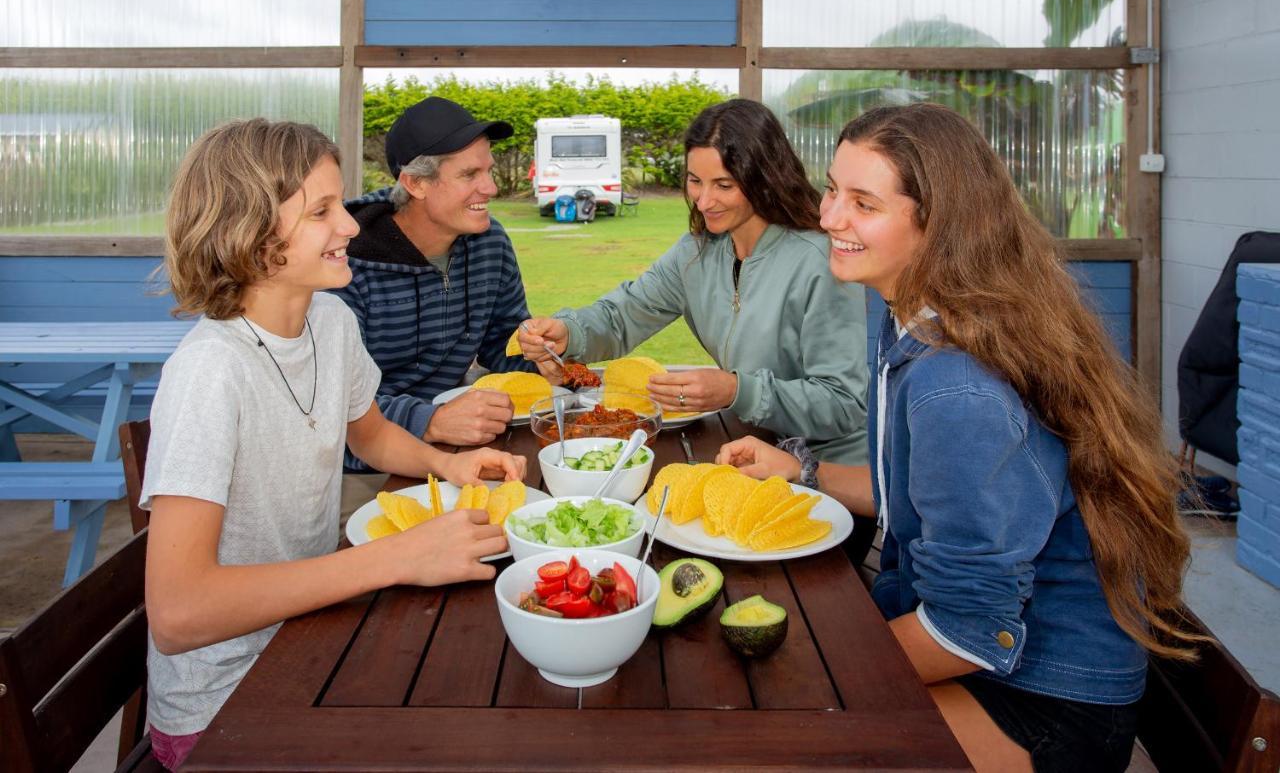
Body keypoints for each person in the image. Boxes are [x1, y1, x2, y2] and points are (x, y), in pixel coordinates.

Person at [718, 104, 1200, 772]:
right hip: (1002, 660)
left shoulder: (956, 382)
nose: (828, 217)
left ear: (936, 222)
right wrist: (802, 472)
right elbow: (917, 496)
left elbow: (969, 631)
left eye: (864, 202)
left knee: (773, 731)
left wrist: (815, 663)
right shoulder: (921, 320)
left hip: (1039, 703)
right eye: (833, 189)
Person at [142, 119, 524, 771]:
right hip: (227, 711)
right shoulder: (210, 372)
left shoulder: (329, 319)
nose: (350, 224)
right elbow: (178, 612)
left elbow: (369, 431)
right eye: (321, 211)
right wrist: (396, 557)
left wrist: (446, 462)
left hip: (313, 636)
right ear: (252, 234)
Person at [519, 99, 869, 465]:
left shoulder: (821, 261)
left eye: (724, 185)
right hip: (752, 451)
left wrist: (736, 390)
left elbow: (844, 403)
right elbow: (623, 314)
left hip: (830, 473)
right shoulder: (696, 254)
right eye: (694, 181)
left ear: (763, 178)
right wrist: (569, 333)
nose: (704, 201)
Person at [333, 97, 541, 464]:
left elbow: (502, 344)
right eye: (469, 175)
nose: (491, 188)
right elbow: (333, 405)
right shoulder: (345, 265)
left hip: (456, 452)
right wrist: (431, 421)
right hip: (363, 470)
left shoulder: (490, 244)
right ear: (415, 183)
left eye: (488, 171)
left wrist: (544, 359)